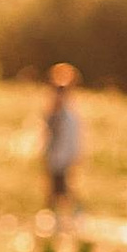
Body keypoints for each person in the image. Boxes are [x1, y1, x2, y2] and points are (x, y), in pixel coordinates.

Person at [42, 63, 84, 219]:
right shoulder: (59, 110)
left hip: (62, 154)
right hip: (58, 155)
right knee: (59, 188)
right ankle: (60, 217)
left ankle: (64, 216)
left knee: (62, 188)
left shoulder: (67, 110)